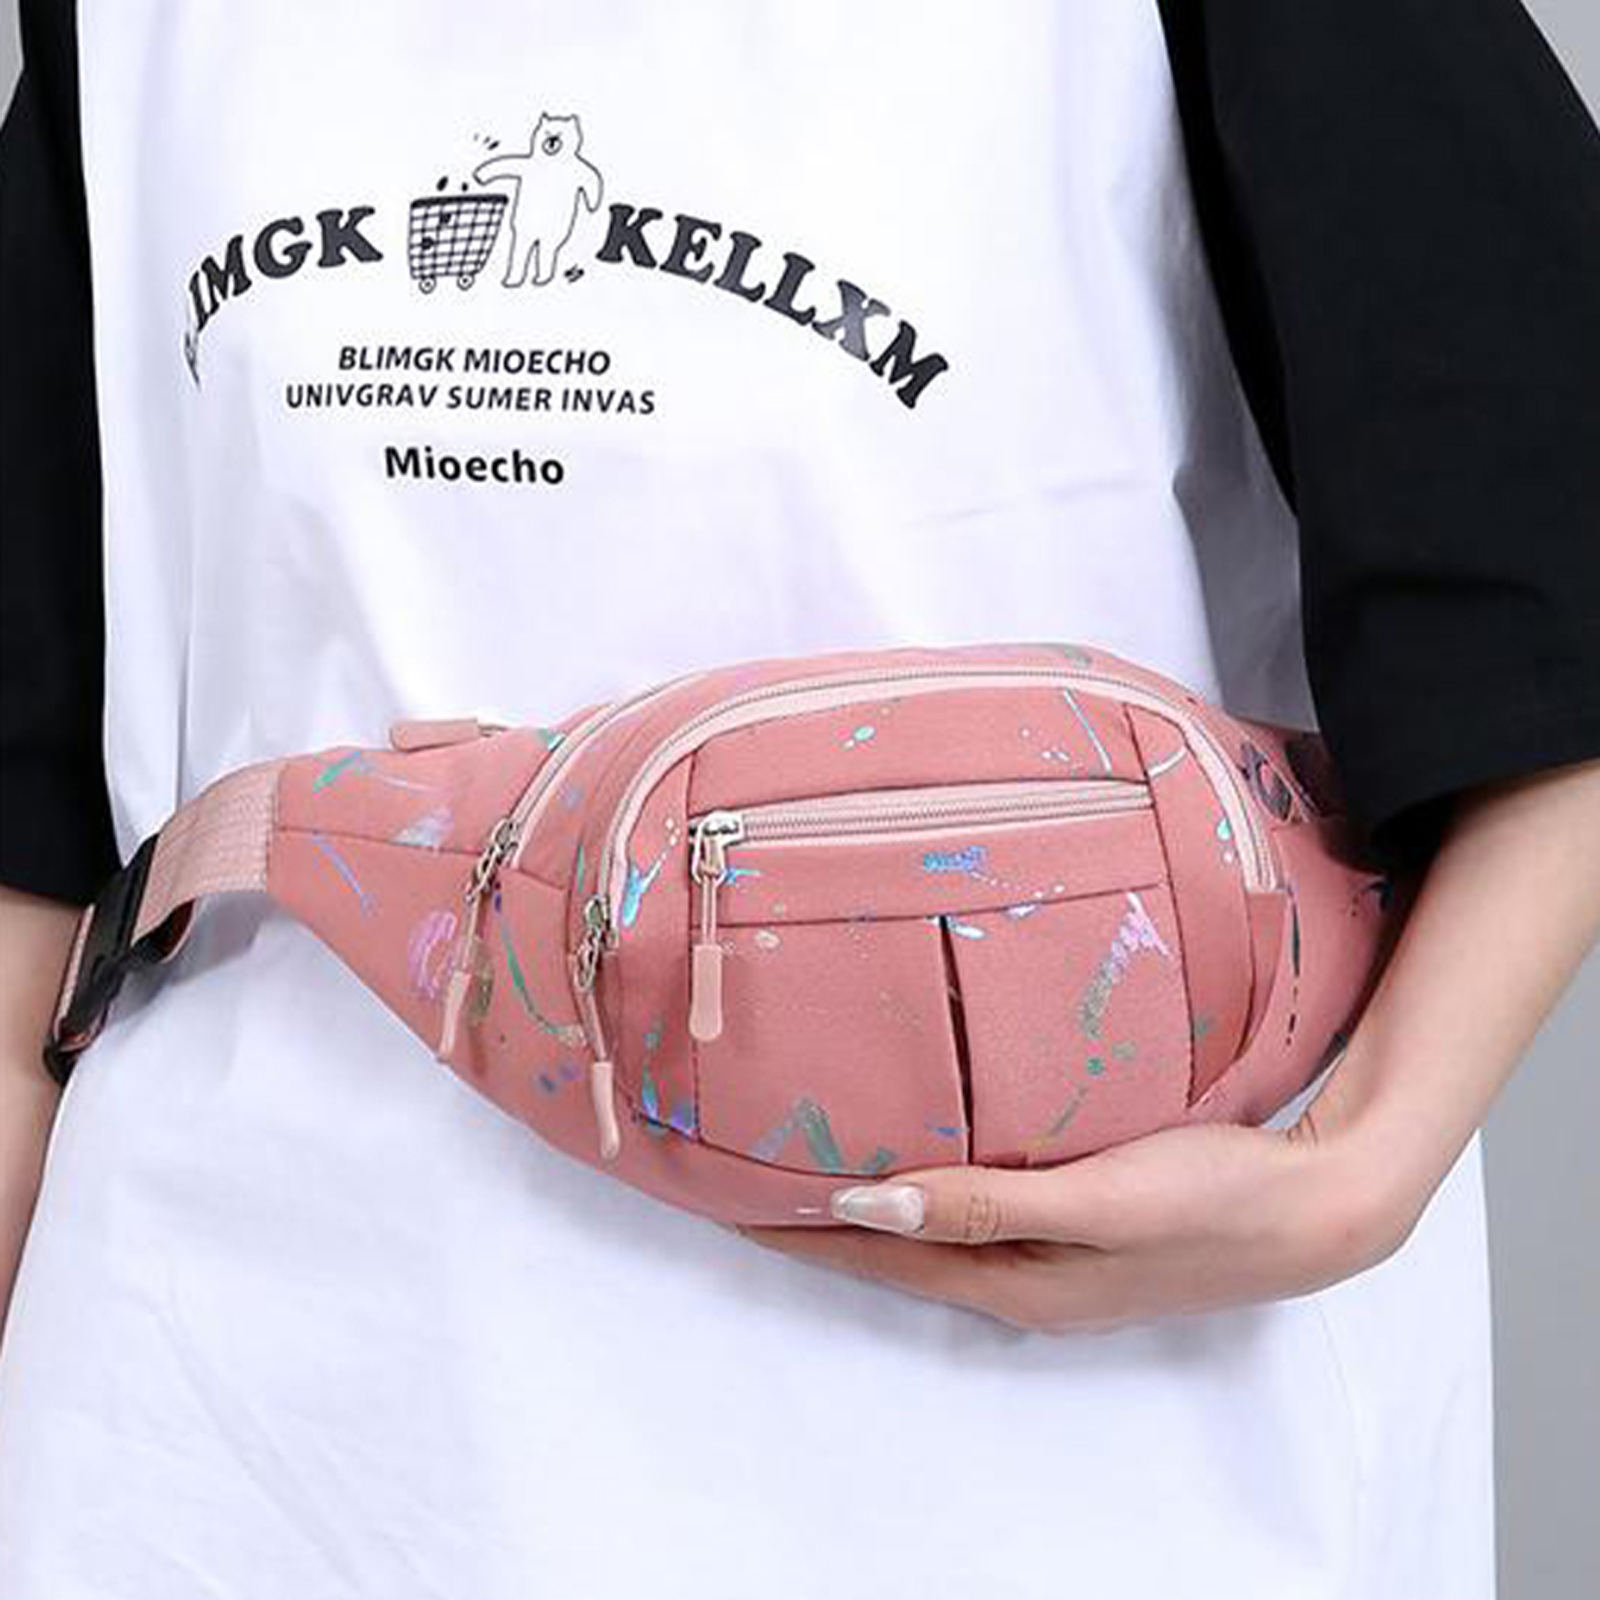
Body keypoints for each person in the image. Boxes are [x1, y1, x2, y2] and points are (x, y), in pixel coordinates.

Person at [1, 2, 1597, 1596]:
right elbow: (31, 815)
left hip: (1034, 1450)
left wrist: (1357, 1174)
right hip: (218, 1441)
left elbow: (1555, 597)